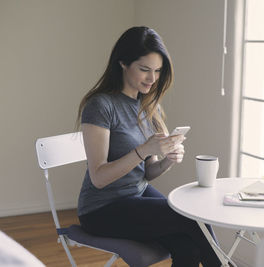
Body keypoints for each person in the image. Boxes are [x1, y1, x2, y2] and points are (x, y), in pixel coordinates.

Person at [75, 26, 221, 267]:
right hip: (101, 209)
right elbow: (98, 177)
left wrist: (166, 159)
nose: (152, 79)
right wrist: (143, 150)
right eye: (144, 70)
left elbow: (147, 173)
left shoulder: (149, 106)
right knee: (194, 221)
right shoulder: (101, 106)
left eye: (157, 71)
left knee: (187, 243)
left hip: (137, 194)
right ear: (123, 63)